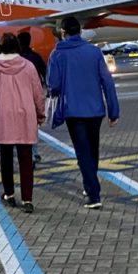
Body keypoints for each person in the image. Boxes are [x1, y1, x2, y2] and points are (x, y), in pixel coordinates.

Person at [46, 16, 120, 209]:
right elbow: (107, 82)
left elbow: (53, 85)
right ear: (80, 31)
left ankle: (94, 194)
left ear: (63, 32)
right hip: (95, 109)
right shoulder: (94, 52)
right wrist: (113, 111)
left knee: (82, 152)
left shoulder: (57, 54)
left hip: (73, 110)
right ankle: (91, 185)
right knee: (92, 149)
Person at [0, 33, 45, 213]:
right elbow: (38, 93)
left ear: (0, 47)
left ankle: (9, 194)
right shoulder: (28, 66)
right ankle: (28, 199)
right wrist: (40, 113)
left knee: (6, 159)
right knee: (25, 159)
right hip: (25, 117)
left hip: (3, 118)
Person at [17, 31, 47, 163]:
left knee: (18, 128)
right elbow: (45, 75)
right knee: (33, 128)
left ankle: (22, 153)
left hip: (17, 98)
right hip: (33, 98)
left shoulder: (16, 59)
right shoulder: (36, 57)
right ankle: (34, 153)